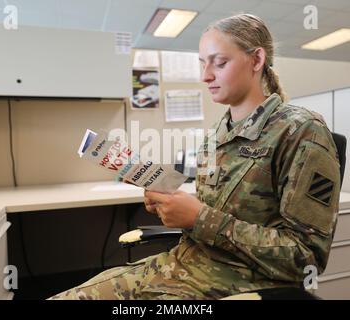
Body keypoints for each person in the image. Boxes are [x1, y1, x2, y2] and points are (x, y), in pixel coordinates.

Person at [49, 13, 340, 300]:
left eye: (219, 62)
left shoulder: (302, 131)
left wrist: (199, 218)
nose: (205, 76)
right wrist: (171, 205)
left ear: (256, 60)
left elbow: (306, 259)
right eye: (202, 63)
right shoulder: (217, 134)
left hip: (238, 283)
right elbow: (210, 212)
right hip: (180, 266)